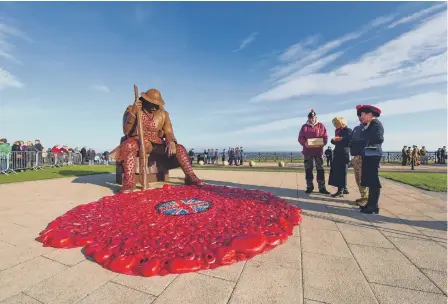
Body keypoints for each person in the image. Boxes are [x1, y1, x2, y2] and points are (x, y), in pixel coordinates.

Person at [110, 88, 204, 193]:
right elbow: (126, 131)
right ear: (145, 100)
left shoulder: (164, 114)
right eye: (152, 103)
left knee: (180, 148)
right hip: (139, 142)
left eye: (156, 104)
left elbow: (168, 132)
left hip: (157, 143)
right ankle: (128, 182)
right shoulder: (132, 108)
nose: (155, 107)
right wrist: (133, 112)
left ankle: (190, 176)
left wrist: (171, 141)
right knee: (128, 145)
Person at [357, 105, 384, 215]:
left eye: (362, 114)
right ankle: (371, 204)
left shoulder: (376, 124)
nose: (361, 117)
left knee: (373, 181)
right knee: (369, 180)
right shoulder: (368, 124)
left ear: (370, 114)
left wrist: (365, 139)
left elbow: (379, 138)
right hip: (369, 153)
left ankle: (373, 206)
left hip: (374, 154)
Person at [298, 109, 330, 194]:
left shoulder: (321, 126)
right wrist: (304, 143)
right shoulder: (304, 127)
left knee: (320, 170)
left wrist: (324, 142)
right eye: (310, 118)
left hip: (318, 152)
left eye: (313, 118)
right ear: (308, 118)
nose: (311, 119)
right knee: (308, 170)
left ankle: (322, 188)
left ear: (316, 117)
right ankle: (309, 187)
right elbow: (300, 138)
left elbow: (325, 137)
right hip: (307, 152)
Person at [328, 117, 352, 197]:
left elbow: (350, 139)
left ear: (340, 123)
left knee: (342, 172)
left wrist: (341, 138)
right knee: (338, 171)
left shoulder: (348, 130)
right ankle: (344, 188)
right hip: (338, 152)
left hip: (344, 153)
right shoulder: (338, 131)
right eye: (334, 124)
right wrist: (333, 140)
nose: (334, 125)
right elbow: (336, 142)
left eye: (335, 123)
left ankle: (340, 191)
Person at [349, 114, 368, 206]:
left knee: (363, 178)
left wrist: (356, 142)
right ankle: (363, 196)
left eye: (362, 115)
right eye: (359, 116)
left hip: (365, 156)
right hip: (356, 156)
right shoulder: (356, 128)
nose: (360, 118)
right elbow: (350, 140)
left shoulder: (369, 128)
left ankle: (367, 198)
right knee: (358, 179)